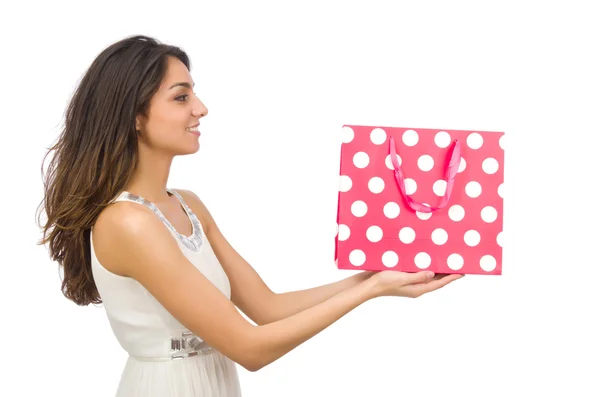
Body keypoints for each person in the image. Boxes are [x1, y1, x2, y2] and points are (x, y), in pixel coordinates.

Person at [37, 35, 463, 397]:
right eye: (181, 97)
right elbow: (250, 348)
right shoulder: (128, 223)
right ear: (133, 116)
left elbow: (268, 308)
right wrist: (369, 293)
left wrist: (375, 277)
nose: (201, 108)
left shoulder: (188, 204)